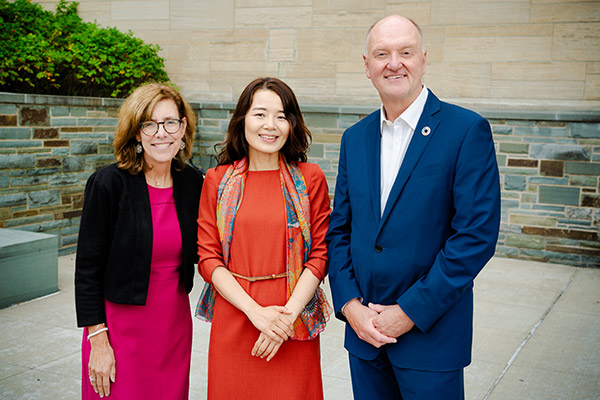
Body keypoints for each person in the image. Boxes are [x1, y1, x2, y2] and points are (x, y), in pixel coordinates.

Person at [326, 15, 501, 400]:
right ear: (367, 66)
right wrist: (351, 306)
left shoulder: (465, 130)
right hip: (364, 338)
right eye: (381, 54)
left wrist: (407, 313)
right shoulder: (354, 139)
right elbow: (339, 230)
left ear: (423, 58)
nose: (394, 63)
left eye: (405, 52)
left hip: (430, 338)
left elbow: (475, 237)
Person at [195, 77, 332, 400]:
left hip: (293, 315)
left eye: (281, 116)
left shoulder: (310, 178)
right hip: (236, 313)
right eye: (260, 114)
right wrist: (256, 313)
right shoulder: (217, 180)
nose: (270, 125)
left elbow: (320, 255)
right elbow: (208, 257)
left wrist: (286, 318)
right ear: (242, 119)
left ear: (292, 124)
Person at [75, 83, 204, 399]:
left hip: (173, 328)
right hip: (118, 331)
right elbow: (87, 269)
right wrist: (98, 340)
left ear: (183, 127)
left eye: (170, 122)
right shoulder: (108, 184)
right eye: (150, 123)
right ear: (136, 133)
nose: (162, 133)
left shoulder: (193, 182)